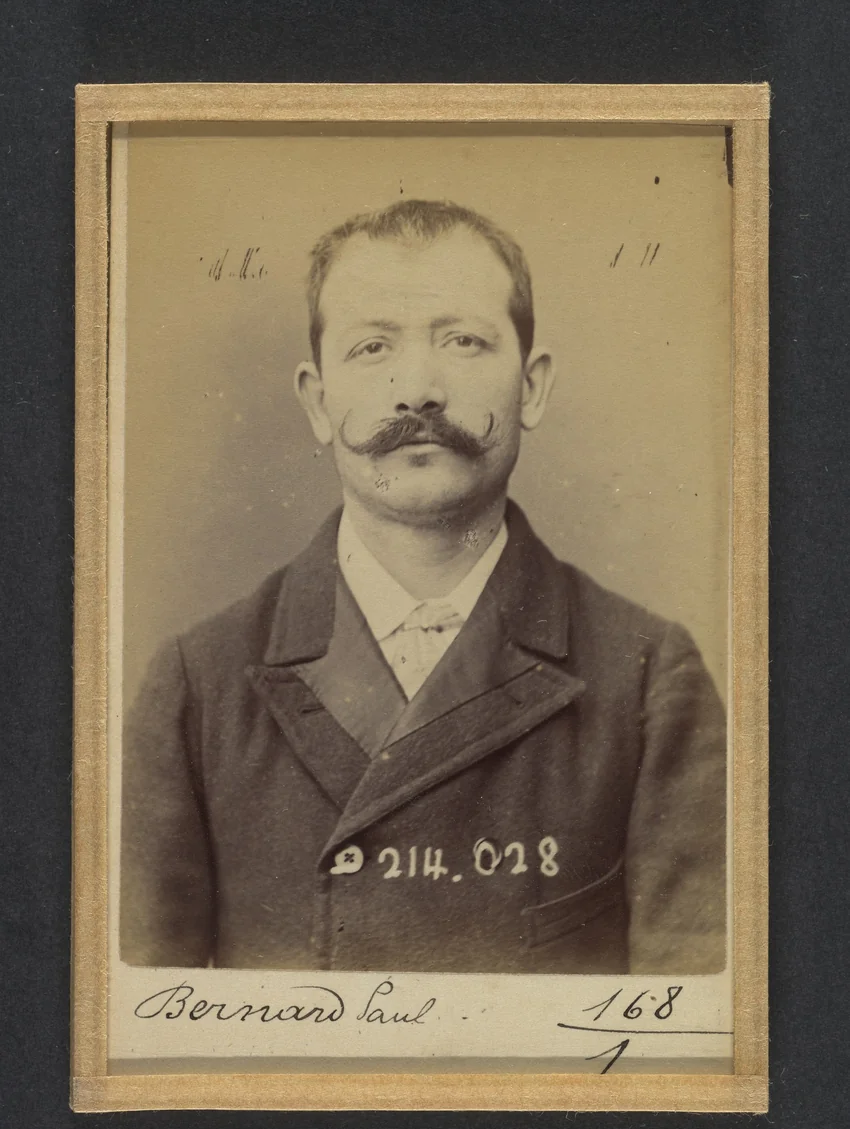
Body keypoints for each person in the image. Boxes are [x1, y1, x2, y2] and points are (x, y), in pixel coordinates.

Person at [121, 198, 726, 974]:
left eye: (464, 341)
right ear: (316, 400)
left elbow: (691, 1035)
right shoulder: (196, 686)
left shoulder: (650, 681)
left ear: (532, 388)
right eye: (373, 348)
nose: (418, 390)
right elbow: (141, 1032)